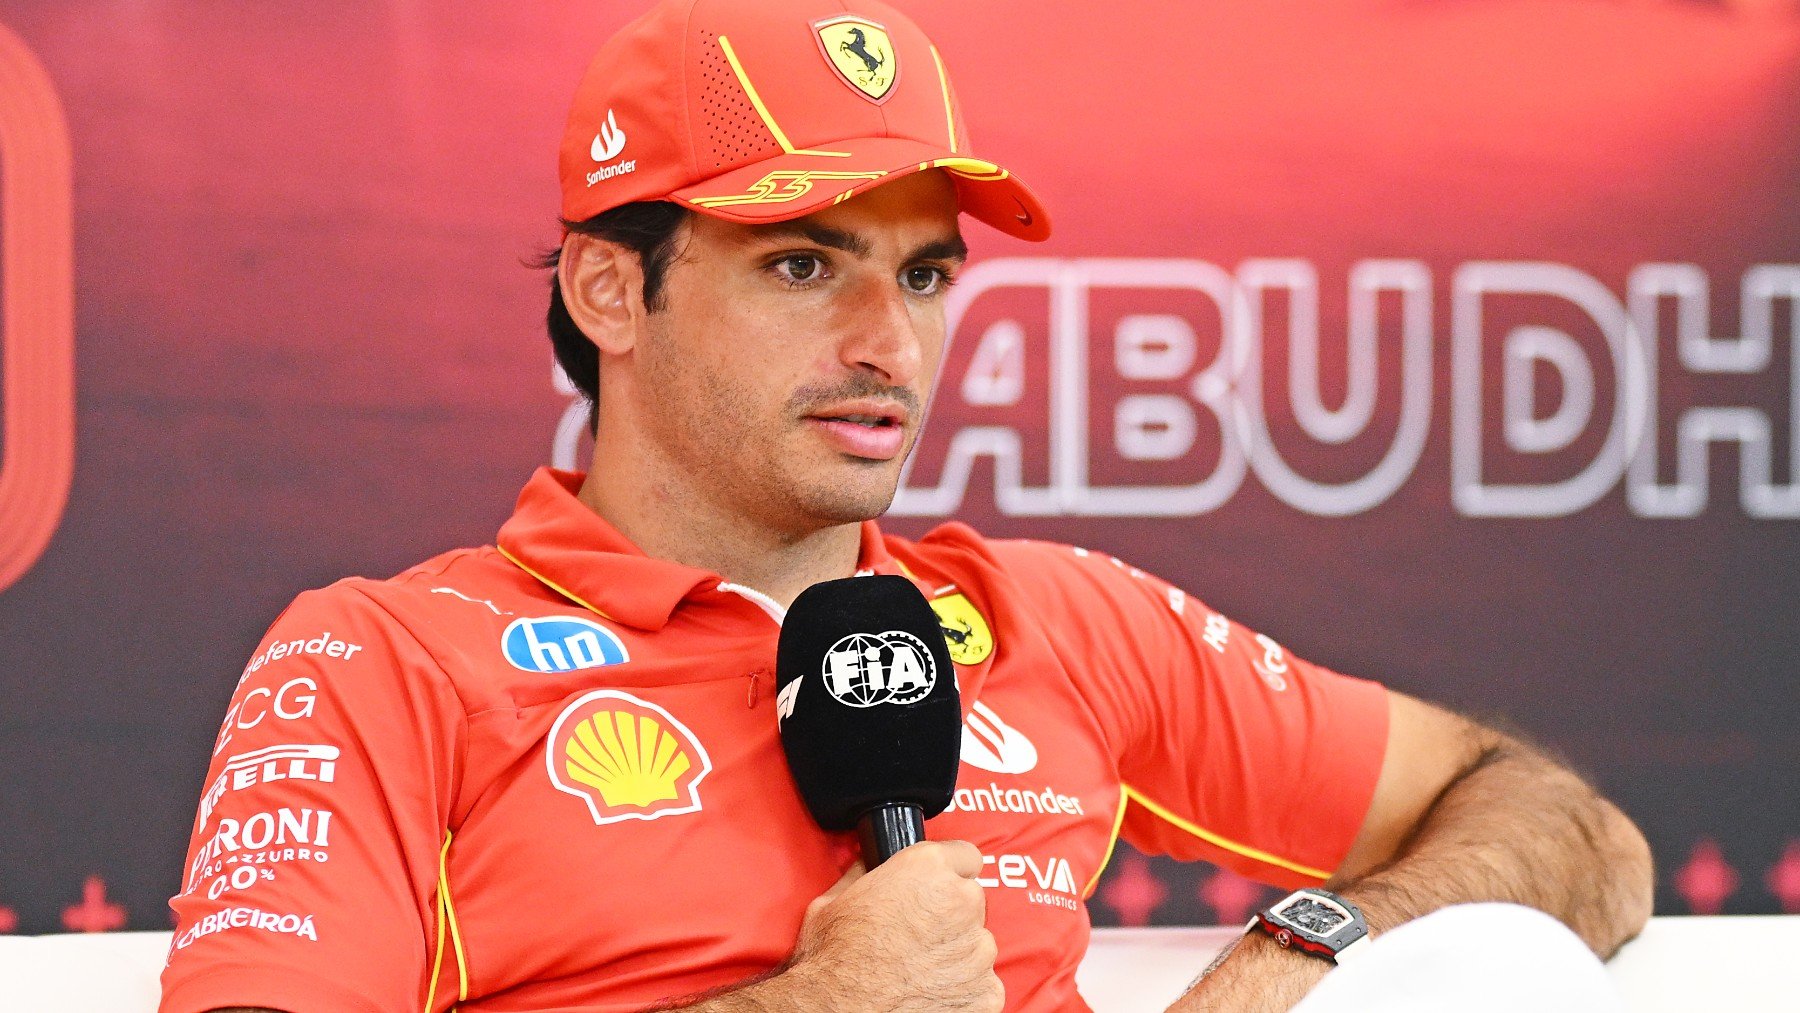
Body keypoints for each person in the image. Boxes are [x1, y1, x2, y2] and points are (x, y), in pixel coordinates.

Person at [159, 0, 1653, 1010]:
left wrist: (1302, 944)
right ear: (613, 288)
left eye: (925, 273)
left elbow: (1574, 831)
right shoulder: (381, 662)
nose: (892, 342)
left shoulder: (1054, 618)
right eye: (804, 265)